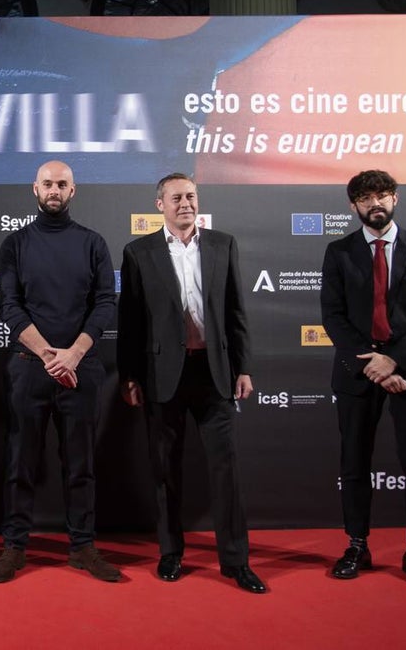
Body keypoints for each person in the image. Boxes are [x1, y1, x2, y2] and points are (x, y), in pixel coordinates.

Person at [117, 173, 266, 592]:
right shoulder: (138, 252)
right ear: (159, 204)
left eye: (191, 197)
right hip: (162, 376)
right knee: (166, 470)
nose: (186, 203)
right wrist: (129, 375)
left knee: (226, 471)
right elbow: (130, 322)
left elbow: (236, 311)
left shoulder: (222, 244)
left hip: (214, 372)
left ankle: (236, 561)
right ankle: (170, 553)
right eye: (177, 197)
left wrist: (243, 367)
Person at [320, 169, 406, 592]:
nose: (374, 203)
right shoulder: (338, 252)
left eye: (381, 194)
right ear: (353, 206)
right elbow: (333, 317)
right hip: (359, 373)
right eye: (365, 197)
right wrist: (372, 364)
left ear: (395, 198)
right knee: (354, 464)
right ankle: (357, 545)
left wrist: (393, 362)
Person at [0, 160, 120, 583]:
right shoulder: (15, 244)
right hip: (30, 370)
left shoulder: (93, 243)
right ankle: (15, 547)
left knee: (80, 464)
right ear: (35, 189)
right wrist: (50, 356)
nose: (54, 190)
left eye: (61, 184)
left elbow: (104, 303)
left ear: (72, 190)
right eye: (47, 183)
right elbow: (8, 305)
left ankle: (82, 547)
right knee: (20, 462)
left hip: (81, 370)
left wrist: (74, 355)